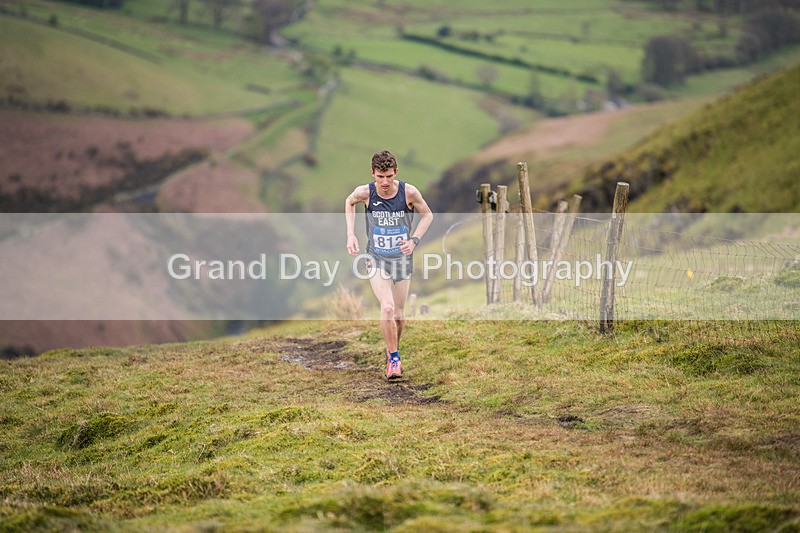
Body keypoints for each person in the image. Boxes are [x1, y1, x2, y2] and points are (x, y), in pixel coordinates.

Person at [345, 150, 433, 380]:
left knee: (399, 315)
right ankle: (394, 360)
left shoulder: (409, 192)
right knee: (387, 307)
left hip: (402, 259)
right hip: (376, 258)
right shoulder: (365, 192)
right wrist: (350, 235)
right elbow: (349, 202)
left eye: (389, 177)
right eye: (380, 177)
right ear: (373, 173)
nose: (384, 182)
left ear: (396, 173)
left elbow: (428, 215)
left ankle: (392, 349)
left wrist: (414, 241)